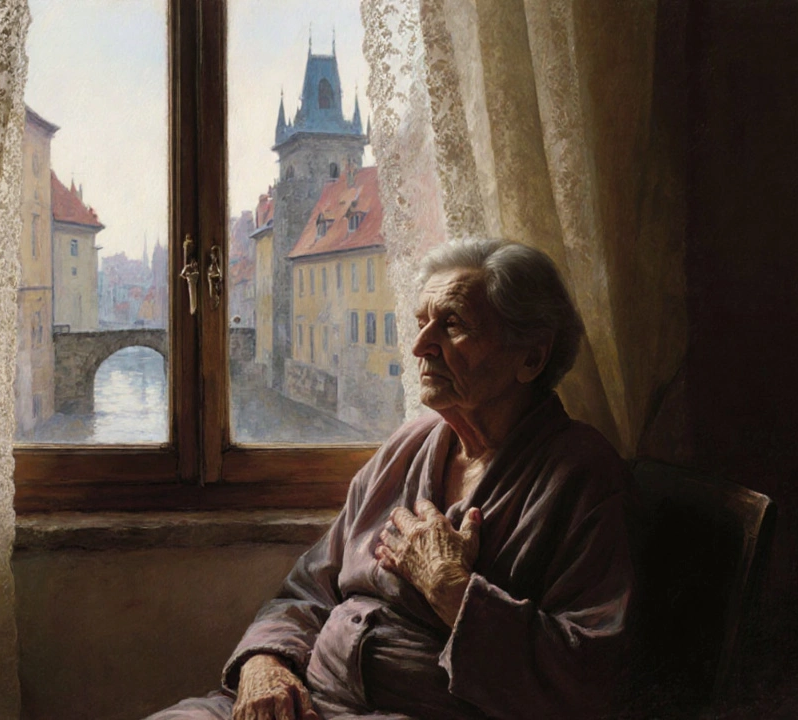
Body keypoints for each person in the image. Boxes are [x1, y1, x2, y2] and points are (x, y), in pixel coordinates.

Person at [148, 238, 635, 720]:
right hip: (307, 698)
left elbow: (587, 680)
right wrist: (266, 663)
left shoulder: (582, 475)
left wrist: (451, 588)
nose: (421, 345)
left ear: (530, 357)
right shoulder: (408, 446)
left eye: (453, 325)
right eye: (423, 323)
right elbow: (308, 588)